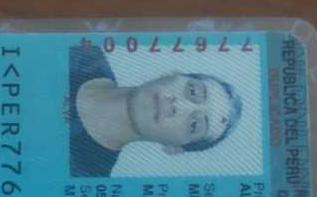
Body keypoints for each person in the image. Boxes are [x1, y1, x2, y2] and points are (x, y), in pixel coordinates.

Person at [68, 44, 242, 176]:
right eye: (193, 91)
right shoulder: (80, 52)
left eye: (195, 124)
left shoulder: (84, 179)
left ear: (175, 149)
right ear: (171, 73)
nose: (179, 105)